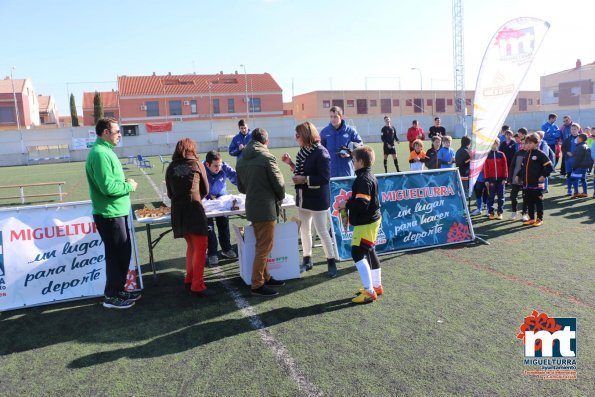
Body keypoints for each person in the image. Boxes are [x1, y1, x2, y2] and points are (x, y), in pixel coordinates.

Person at [85, 117, 140, 309]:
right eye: (117, 132)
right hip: (109, 213)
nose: (120, 135)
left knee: (123, 253)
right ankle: (111, 296)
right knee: (116, 255)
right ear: (105, 133)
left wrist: (123, 183)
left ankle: (118, 290)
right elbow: (107, 187)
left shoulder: (106, 151)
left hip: (116, 211)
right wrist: (128, 186)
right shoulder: (100, 153)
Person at [281, 122, 337, 277]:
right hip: (303, 198)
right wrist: (291, 163)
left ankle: (331, 262)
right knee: (304, 230)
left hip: (318, 198)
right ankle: (307, 260)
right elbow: (302, 170)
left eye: (298, 135)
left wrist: (304, 179)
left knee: (321, 231)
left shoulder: (321, 153)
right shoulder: (303, 151)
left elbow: (324, 178)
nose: (296, 137)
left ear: (306, 135)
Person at [237, 128, 286, 297]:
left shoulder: (241, 158)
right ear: (266, 141)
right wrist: (280, 196)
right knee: (264, 247)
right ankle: (257, 284)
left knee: (261, 245)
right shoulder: (267, 157)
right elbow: (279, 183)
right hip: (266, 207)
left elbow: (241, 187)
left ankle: (266, 276)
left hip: (252, 205)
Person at [165, 138, 212, 296]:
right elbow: (205, 189)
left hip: (178, 211)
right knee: (200, 246)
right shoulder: (197, 164)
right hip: (193, 209)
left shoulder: (170, 167)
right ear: (192, 149)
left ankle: (190, 278)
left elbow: (170, 193)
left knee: (191, 245)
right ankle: (197, 285)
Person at [337, 146, 382, 304]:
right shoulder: (368, 175)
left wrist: (346, 204)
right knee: (370, 250)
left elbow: (362, 203)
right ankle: (376, 286)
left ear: (361, 162)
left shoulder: (363, 179)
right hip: (373, 219)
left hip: (366, 222)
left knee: (357, 253)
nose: (353, 162)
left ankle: (370, 291)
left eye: (354, 160)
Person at [203, 150, 238, 266]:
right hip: (206, 201)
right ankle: (212, 253)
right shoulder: (200, 169)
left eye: (220, 164)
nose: (219, 168)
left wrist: (247, 187)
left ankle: (226, 249)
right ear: (207, 164)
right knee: (209, 228)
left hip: (222, 200)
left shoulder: (224, 166)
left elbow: (235, 177)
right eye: (215, 166)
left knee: (223, 224)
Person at [517, 133, 553, 226]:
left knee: (538, 201)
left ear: (537, 143)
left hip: (537, 183)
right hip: (527, 183)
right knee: (529, 201)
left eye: (530, 143)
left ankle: (539, 219)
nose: (528, 145)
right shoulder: (526, 154)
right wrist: (518, 175)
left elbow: (549, 167)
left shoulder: (540, 154)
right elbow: (523, 168)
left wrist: (543, 176)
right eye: (527, 143)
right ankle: (531, 218)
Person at [320, 106, 363, 177]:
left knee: (348, 188)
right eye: (331, 117)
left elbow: (360, 146)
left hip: (347, 170)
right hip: (331, 172)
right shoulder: (324, 132)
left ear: (341, 117)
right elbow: (320, 150)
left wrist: (350, 153)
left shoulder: (350, 131)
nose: (333, 119)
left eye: (335, 117)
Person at [483, 139, 508, 220]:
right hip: (491, 180)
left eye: (495, 144)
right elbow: (485, 168)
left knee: (501, 197)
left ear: (498, 144)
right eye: (492, 144)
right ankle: (491, 212)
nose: (494, 145)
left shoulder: (502, 154)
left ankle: (500, 212)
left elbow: (505, 167)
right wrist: (486, 180)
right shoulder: (487, 155)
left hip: (501, 180)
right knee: (490, 197)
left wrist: (505, 178)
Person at [508, 139, 528, 221]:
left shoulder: (530, 154)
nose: (522, 145)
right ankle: (514, 211)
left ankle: (524, 213)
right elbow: (512, 166)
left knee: (525, 197)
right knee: (513, 196)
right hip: (516, 179)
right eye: (521, 144)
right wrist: (510, 178)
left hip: (526, 179)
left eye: (524, 144)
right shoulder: (517, 153)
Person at [569, 133, 593, 198]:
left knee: (574, 179)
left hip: (579, 166)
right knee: (583, 179)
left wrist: (574, 167)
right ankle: (585, 192)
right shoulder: (586, 146)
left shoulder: (580, 147)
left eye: (578, 138)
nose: (577, 139)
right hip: (585, 167)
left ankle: (576, 193)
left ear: (580, 139)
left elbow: (578, 159)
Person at [562, 123, 581, 196]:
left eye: (575, 129)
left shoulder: (581, 138)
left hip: (577, 160)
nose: (573, 131)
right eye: (572, 129)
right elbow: (563, 148)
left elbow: (585, 148)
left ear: (578, 129)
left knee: (576, 175)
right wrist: (567, 152)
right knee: (569, 175)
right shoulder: (568, 139)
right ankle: (569, 190)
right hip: (568, 160)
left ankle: (576, 191)